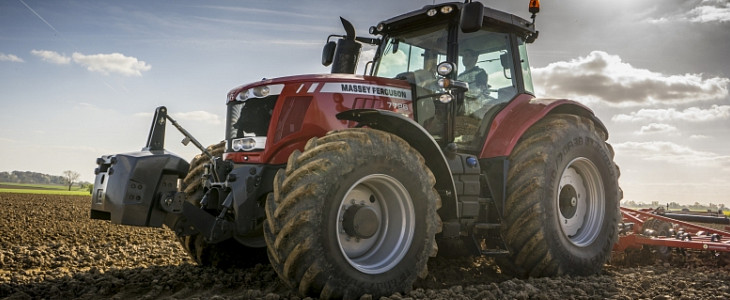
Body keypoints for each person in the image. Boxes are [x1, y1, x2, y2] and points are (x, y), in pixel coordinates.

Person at [458, 49, 490, 117]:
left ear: (474, 58)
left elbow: (480, 91)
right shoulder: (459, 76)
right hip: (462, 105)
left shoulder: (480, 73)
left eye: (466, 55)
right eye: (463, 56)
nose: (463, 58)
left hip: (476, 107)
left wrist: (464, 93)